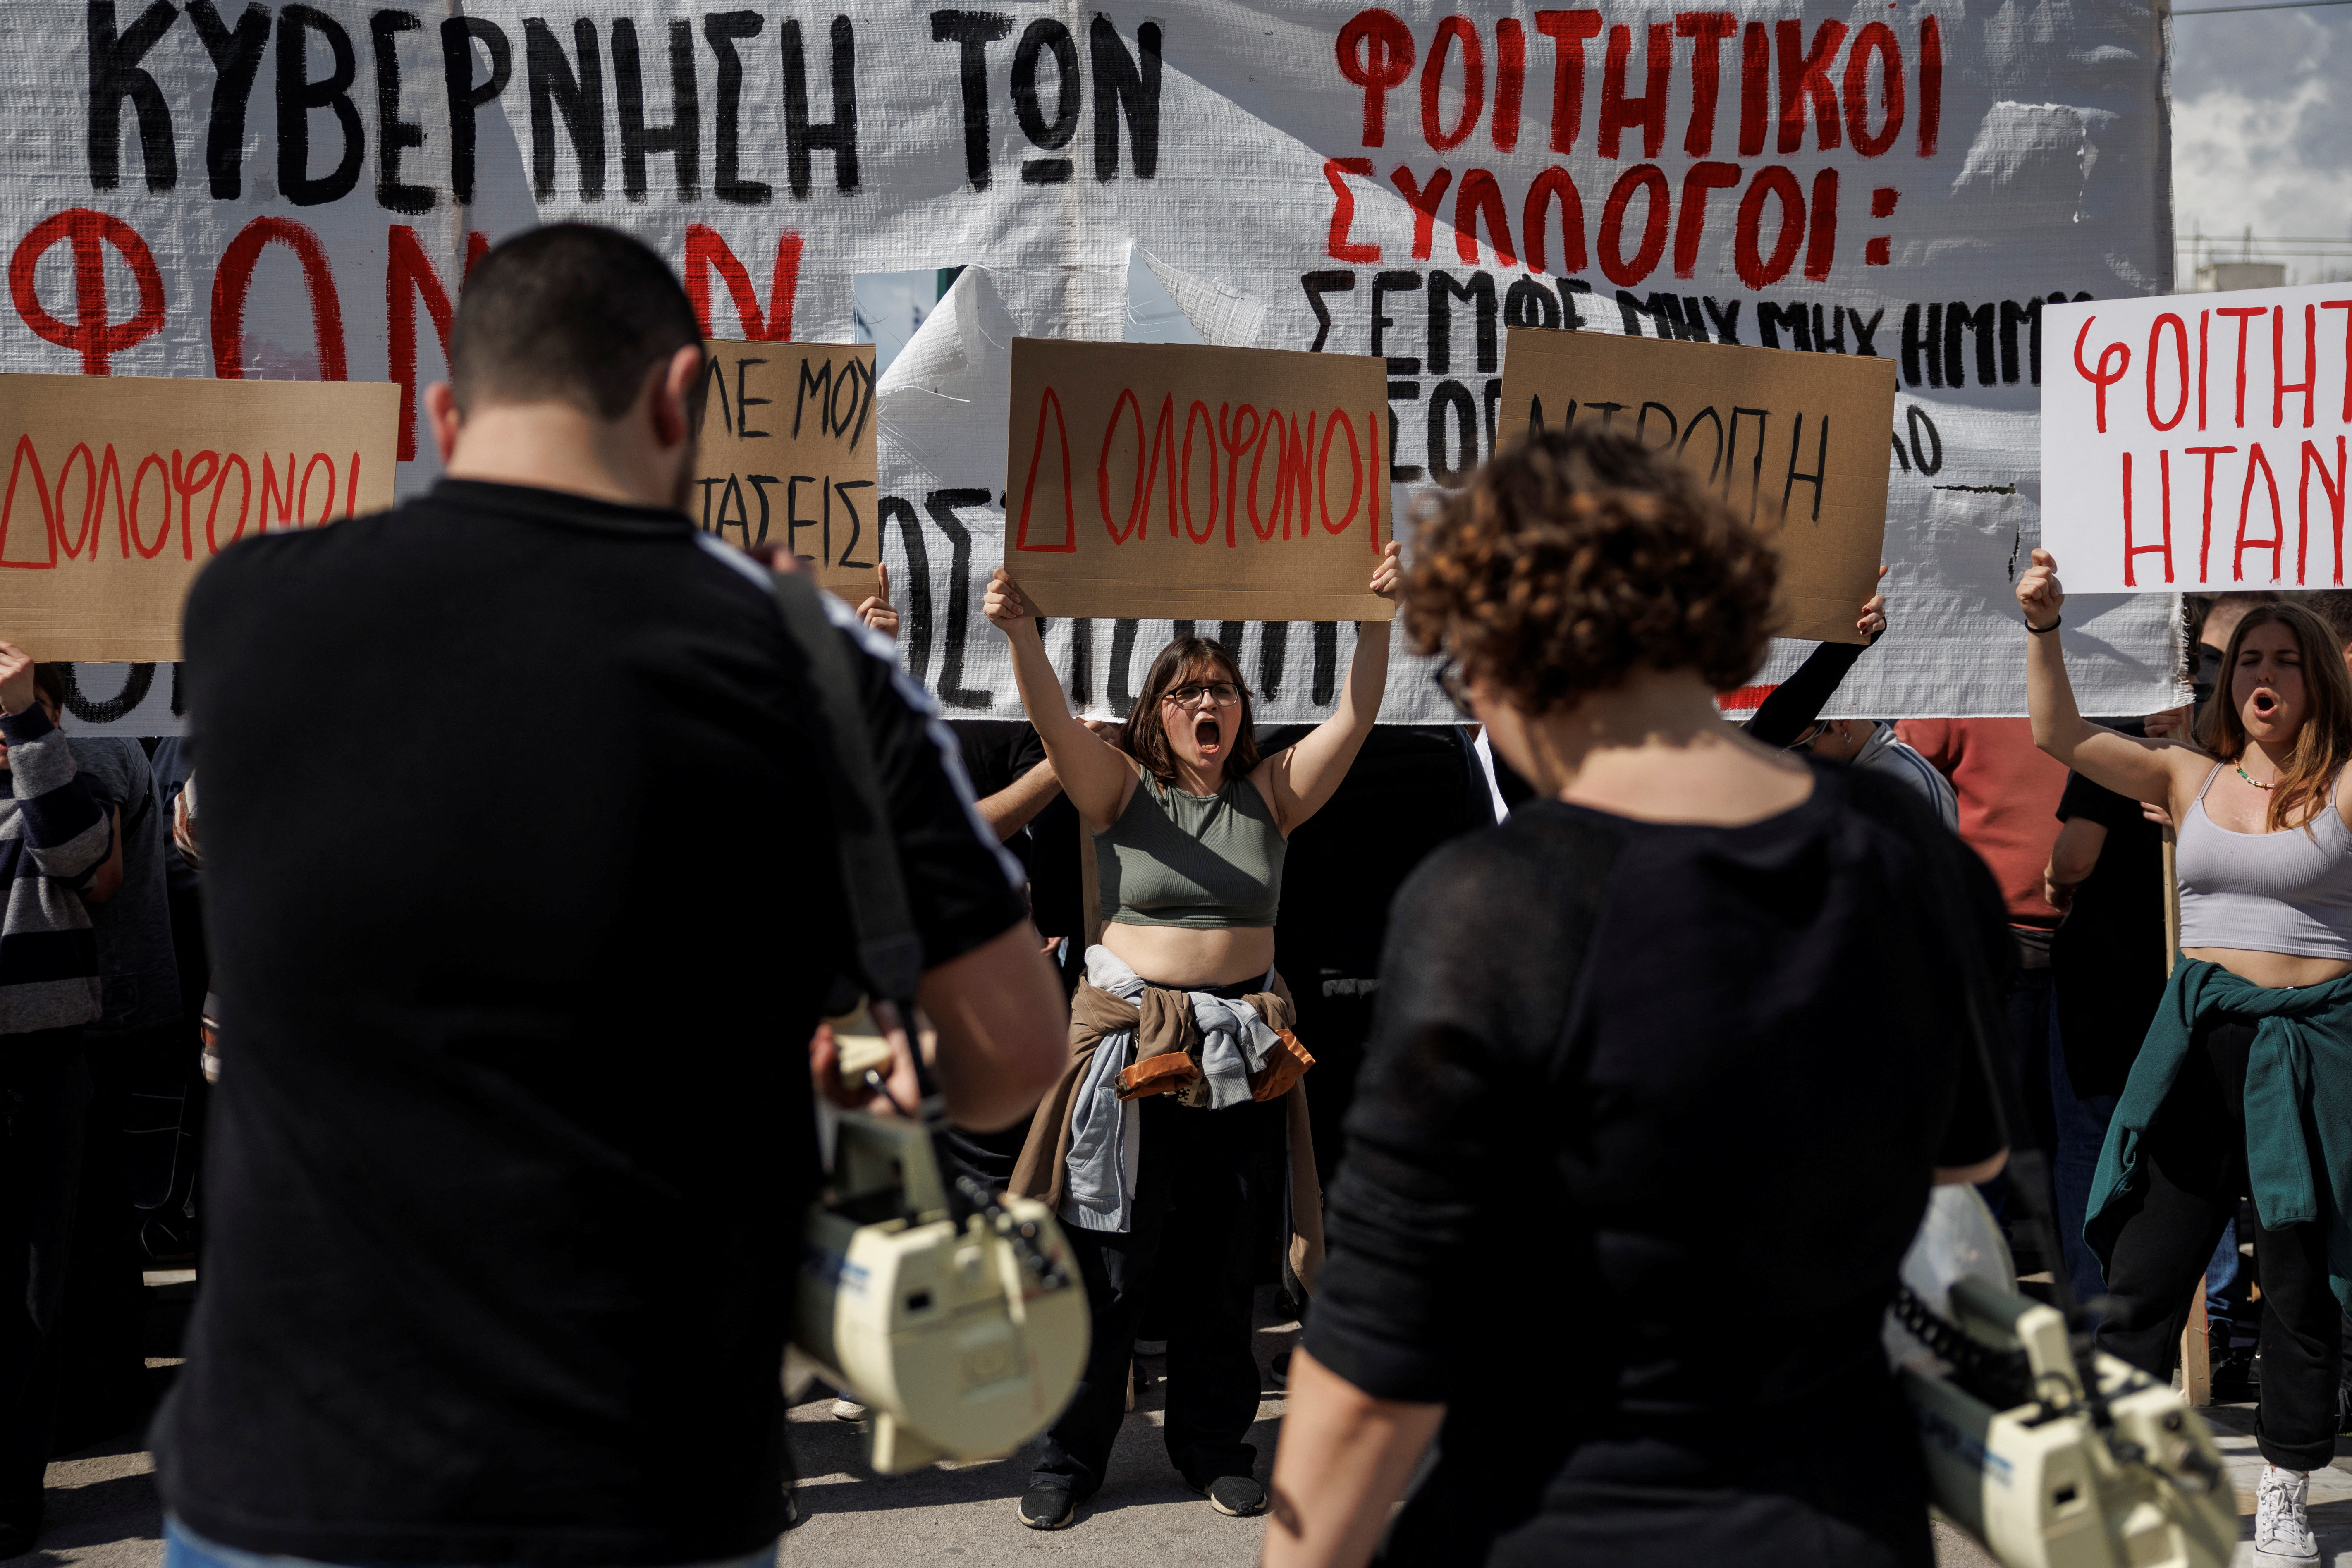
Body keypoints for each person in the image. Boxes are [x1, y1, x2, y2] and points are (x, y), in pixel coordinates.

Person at [148, 224, 1068, 1568]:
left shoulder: (244, 609)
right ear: (679, 397)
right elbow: (1015, 1054)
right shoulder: (808, 660)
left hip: (280, 1480)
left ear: (449, 415)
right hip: (639, 1478)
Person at [1260, 427, 2009, 1568]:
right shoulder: (1911, 852)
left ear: (1505, 645)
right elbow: (1964, 1160)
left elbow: (1376, 1361)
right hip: (1843, 1515)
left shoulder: (1497, 903)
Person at [987, 542, 1401, 1530]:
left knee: (1224, 1261)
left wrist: (1379, 618)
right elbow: (1053, 723)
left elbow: (1356, 715)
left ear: (1241, 712)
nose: (1205, 703)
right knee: (1110, 1261)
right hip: (1136, 1055)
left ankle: (1214, 1446)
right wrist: (1021, 635)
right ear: (1156, 713)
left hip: (1239, 1058)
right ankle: (1069, 1455)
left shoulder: (1274, 794)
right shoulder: (1120, 789)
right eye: (1185, 692)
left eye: (1220, 690)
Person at [2019, 553, 2351, 1568]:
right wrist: (2043, 627)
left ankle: (2285, 1491)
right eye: (2247, 658)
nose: (2262, 675)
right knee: (2143, 1276)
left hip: (2306, 1058)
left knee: (2297, 1287)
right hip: (2199, 1054)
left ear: (2318, 677)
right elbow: (2058, 734)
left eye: (2284, 659)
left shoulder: (2347, 784)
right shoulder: (2185, 774)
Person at [0, 642, 114, 1558]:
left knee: (31, 1289)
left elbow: (85, 861)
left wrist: (24, 721)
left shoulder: (73, 788)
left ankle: (8, 1491)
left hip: (37, 1066)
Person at [50, 692, 184, 1453]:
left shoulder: (86, 749)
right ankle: (102, 1390)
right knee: (92, 1199)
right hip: (105, 995)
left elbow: (93, 874)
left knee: (80, 1204)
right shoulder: (104, 743)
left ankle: (92, 1393)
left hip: (93, 1000)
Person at [1786, 716, 1958, 828]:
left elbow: (1940, 870)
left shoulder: (1916, 784)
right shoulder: (1822, 776)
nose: (1797, 760)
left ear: (1841, 723)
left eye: (1803, 747)